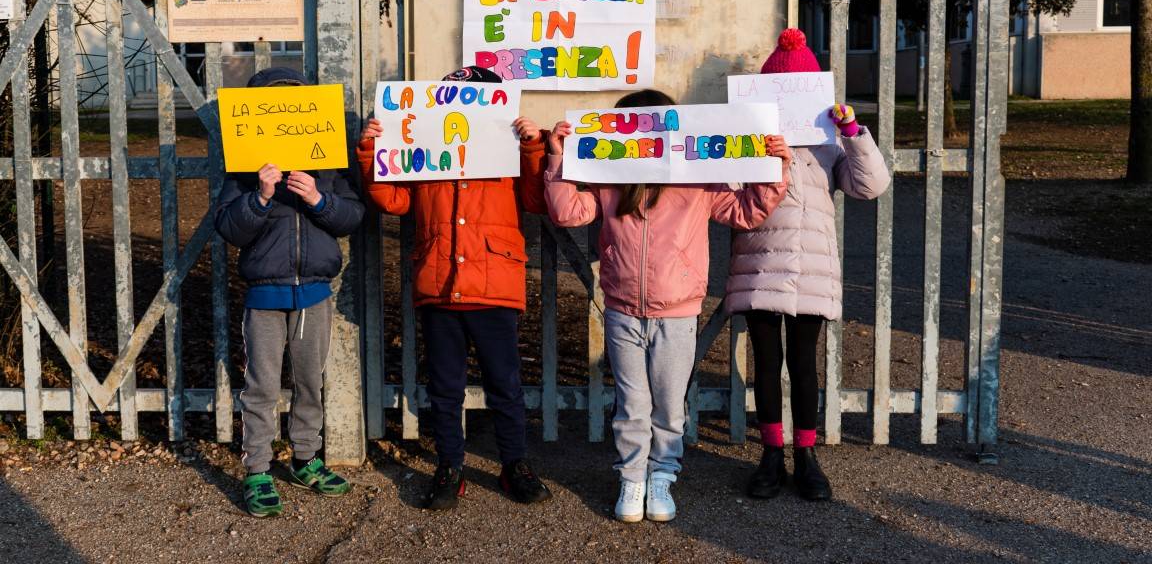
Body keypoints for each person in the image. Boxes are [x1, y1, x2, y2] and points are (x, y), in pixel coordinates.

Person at [544, 89, 791, 523]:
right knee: (632, 403)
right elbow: (568, 212)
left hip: (677, 310)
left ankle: (662, 475)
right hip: (622, 308)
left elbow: (745, 211)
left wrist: (775, 168)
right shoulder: (610, 177)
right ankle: (632, 478)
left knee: (670, 404)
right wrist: (560, 161)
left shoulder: (697, 175)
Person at [356, 65, 552, 511]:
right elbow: (394, 198)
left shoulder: (510, 150)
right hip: (440, 284)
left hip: (494, 284)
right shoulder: (426, 148)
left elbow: (538, 199)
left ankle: (514, 464)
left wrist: (533, 146)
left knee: (505, 383)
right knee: (445, 387)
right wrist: (371, 150)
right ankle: (450, 465)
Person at [726, 28, 891, 502]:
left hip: (811, 266)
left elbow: (871, 185)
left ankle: (806, 455)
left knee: (802, 363)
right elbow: (728, 189)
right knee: (766, 361)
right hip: (758, 262)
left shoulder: (828, 143)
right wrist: (756, 150)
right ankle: (771, 453)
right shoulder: (748, 138)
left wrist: (854, 135)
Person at [214, 66, 366, 518]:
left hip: (315, 295)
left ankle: (305, 459)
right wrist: (260, 196)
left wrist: (321, 199)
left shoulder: (328, 167)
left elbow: (352, 217)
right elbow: (228, 227)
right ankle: (258, 469)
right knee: (260, 388)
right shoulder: (245, 172)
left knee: (309, 383)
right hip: (264, 297)